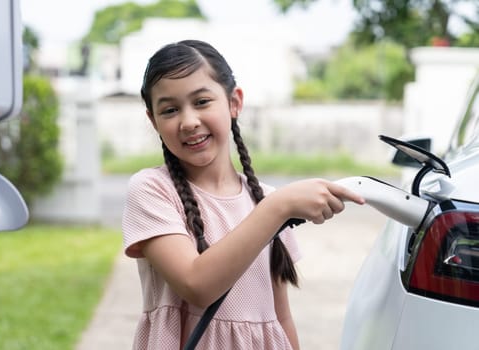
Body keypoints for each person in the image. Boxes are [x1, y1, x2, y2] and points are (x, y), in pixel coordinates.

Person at [122, 39, 365, 350]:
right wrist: (279, 208)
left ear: (234, 102)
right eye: (170, 110)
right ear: (153, 121)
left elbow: (281, 317)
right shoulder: (151, 190)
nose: (189, 121)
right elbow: (196, 285)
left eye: (201, 102)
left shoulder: (266, 199)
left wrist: (275, 205)